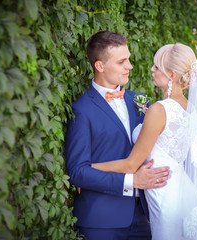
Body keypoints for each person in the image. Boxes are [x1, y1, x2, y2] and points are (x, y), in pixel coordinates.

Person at [92, 43, 197, 240]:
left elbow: (132, 164)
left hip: (165, 196)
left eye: (157, 66)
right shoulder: (192, 109)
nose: (151, 69)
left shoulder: (159, 110)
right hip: (187, 192)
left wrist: (90, 168)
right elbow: (196, 161)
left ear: (172, 75)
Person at [65, 31, 170, 240]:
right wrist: (131, 181)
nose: (129, 66)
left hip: (146, 215)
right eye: (122, 61)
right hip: (101, 220)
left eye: (128, 59)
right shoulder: (81, 110)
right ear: (100, 66)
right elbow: (77, 172)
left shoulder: (140, 101)